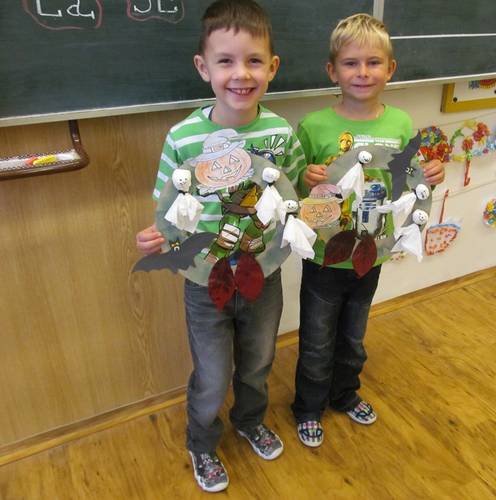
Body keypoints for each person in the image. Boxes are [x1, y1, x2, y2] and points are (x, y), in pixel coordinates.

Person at [135, 0, 305, 492]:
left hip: (263, 274)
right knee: (211, 374)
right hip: (204, 279)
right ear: (203, 66)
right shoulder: (184, 138)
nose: (241, 74)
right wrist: (156, 236)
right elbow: (168, 209)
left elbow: (293, 196)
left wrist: (317, 195)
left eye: (254, 61)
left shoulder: (279, 133)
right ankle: (202, 442)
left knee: (258, 360)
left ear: (273, 67)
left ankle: (249, 421)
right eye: (225, 61)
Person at [292, 13, 444, 447]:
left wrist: (431, 177)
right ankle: (308, 407)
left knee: (353, 336)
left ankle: (344, 394)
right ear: (332, 70)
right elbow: (293, 191)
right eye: (351, 63)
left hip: (371, 252)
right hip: (325, 255)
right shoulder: (314, 126)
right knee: (317, 339)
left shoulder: (400, 125)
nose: (362, 72)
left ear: (390, 69)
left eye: (373, 62)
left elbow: (409, 182)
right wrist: (305, 177)